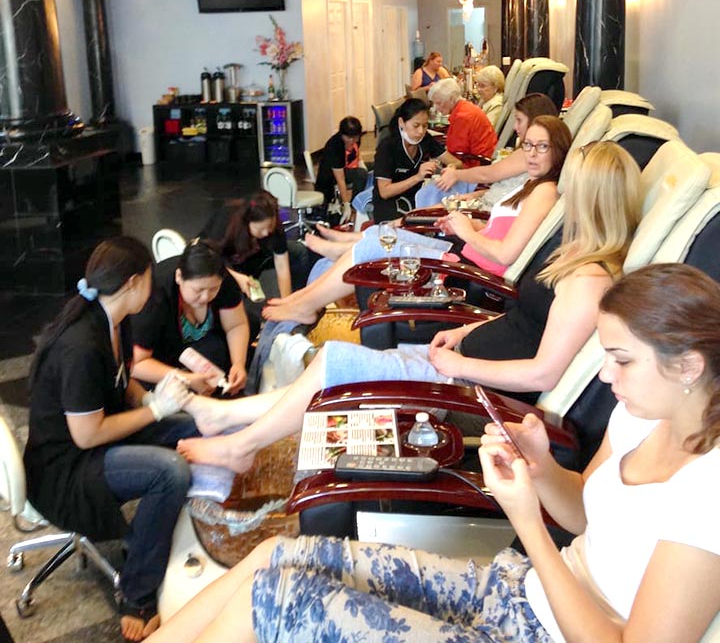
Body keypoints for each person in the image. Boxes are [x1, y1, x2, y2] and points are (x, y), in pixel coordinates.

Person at [146, 263, 720, 643]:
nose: (605, 374)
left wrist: (529, 525)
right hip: (517, 591)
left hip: (536, 629)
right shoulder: (638, 415)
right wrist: (542, 470)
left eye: (622, 360)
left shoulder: (707, 493)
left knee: (273, 599)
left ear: (688, 367)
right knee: (275, 556)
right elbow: (587, 516)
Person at [174, 141, 641, 472]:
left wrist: (458, 363)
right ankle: (229, 417)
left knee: (336, 362)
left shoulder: (589, 281)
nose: (562, 197)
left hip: (474, 392)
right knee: (334, 366)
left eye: (571, 189)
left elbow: (543, 374)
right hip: (463, 360)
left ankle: (242, 445)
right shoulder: (575, 256)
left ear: (591, 198)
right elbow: (525, 321)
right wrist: (464, 334)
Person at [23, 237, 197, 641]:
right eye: (149, 277)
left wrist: (150, 399)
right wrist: (155, 410)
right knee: (169, 472)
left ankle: (168, 530)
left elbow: (122, 378)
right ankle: (136, 592)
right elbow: (87, 436)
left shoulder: (116, 319)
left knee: (190, 426)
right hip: (65, 471)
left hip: (94, 443)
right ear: (134, 282)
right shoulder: (81, 346)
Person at [263, 116, 571, 327]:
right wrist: (473, 226)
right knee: (375, 239)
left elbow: (505, 255)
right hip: (465, 252)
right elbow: (506, 232)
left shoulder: (544, 192)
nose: (531, 154)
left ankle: (305, 305)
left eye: (542, 146)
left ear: (558, 150)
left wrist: (467, 231)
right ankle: (303, 299)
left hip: (468, 273)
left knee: (372, 247)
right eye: (527, 145)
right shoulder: (533, 185)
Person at [132, 239, 249, 395]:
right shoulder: (156, 298)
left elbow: (236, 325)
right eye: (198, 290)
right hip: (158, 355)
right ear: (179, 277)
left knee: (226, 345)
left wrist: (238, 363)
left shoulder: (221, 280)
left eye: (213, 289)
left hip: (193, 347)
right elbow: (136, 364)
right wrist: (185, 378)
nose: (205, 297)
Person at [415, 92, 559, 210]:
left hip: (485, 210)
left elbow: (488, 175)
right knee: (430, 197)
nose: (515, 127)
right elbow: (510, 189)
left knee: (426, 199)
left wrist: (456, 175)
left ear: (534, 120)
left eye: (519, 120)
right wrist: (478, 194)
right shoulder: (539, 154)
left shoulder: (529, 154)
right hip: (485, 199)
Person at [199, 191, 311, 339]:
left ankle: (297, 304)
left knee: (299, 252)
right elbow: (206, 256)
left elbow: (282, 266)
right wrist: (236, 277)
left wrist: (286, 304)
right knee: (243, 313)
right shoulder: (226, 219)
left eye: (269, 227)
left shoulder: (274, 228)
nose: (266, 233)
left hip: (255, 258)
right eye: (260, 229)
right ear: (247, 222)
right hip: (221, 263)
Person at [371, 97, 463, 222]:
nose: (421, 131)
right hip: (389, 204)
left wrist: (451, 168)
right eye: (416, 126)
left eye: (425, 126)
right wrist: (418, 177)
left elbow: (457, 162)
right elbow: (385, 192)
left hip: (415, 199)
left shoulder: (425, 139)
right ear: (401, 122)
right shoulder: (387, 147)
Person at [427, 77, 497, 163]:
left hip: (473, 163)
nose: (436, 107)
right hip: (478, 158)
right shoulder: (465, 108)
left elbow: (456, 151)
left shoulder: (462, 117)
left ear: (451, 99)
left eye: (438, 103)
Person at [314, 116, 369, 220]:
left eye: (355, 137)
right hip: (330, 178)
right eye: (349, 138)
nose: (352, 140)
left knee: (373, 168)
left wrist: (361, 162)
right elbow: (341, 179)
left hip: (347, 167)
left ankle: (367, 200)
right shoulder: (335, 146)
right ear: (342, 134)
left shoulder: (356, 138)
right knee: (361, 174)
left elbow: (356, 152)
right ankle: (354, 206)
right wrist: (346, 204)